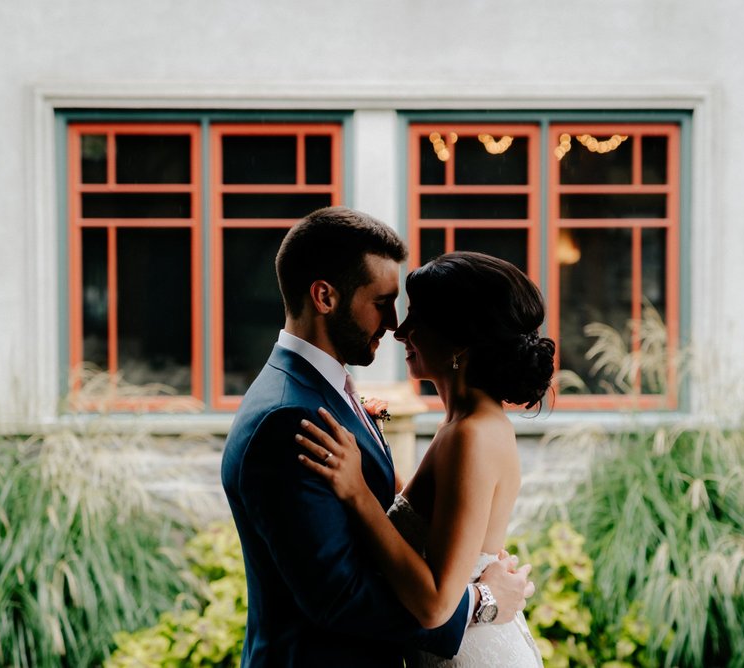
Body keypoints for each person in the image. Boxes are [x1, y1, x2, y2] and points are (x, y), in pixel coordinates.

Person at [221, 208, 533, 668]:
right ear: (325, 297)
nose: (393, 326)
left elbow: (398, 515)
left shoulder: (323, 391)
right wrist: (480, 601)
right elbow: (339, 596)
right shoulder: (289, 418)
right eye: (383, 302)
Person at [295, 250, 555, 667]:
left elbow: (435, 606)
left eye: (417, 318)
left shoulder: (471, 435)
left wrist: (357, 493)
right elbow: (428, 522)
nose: (400, 332)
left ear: (461, 341)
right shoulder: (466, 425)